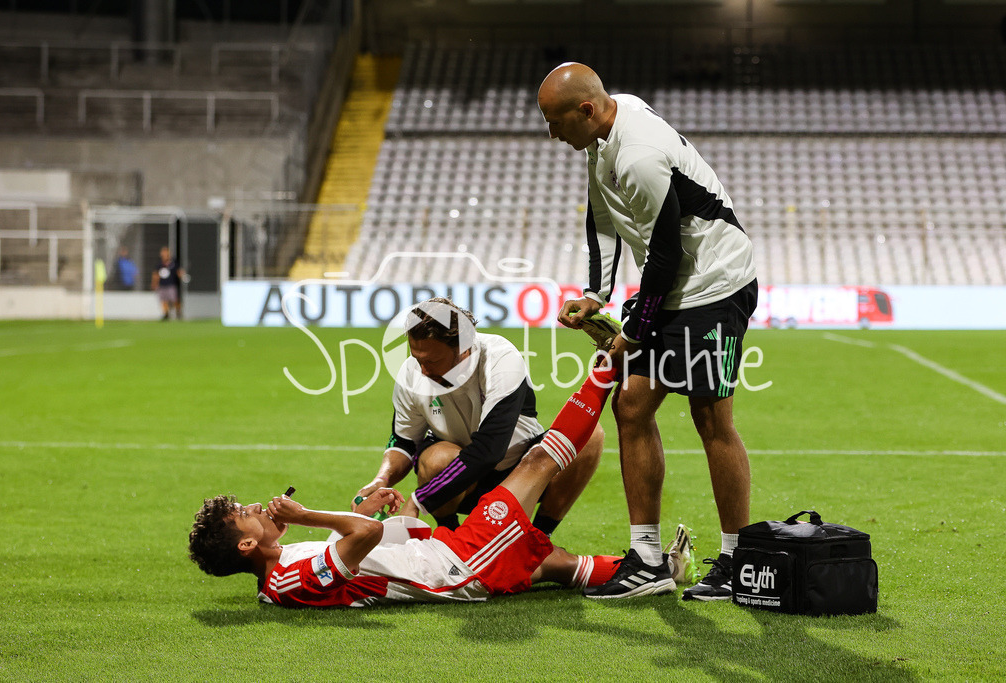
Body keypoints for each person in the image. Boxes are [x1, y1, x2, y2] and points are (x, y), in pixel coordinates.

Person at [189, 366, 695, 607]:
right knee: (541, 459)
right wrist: (309, 517)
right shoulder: (285, 582)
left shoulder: (280, 573)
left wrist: (397, 507)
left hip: (443, 553)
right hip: (457, 566)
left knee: (553, 565)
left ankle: (665, 569)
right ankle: (607, 367)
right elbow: (359, 540)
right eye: (243, 511)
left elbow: (373, 552)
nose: (255, 506)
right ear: (247, 542)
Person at [538, 63, 758, 601]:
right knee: (632, 406)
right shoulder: (606, 130)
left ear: (586, 110)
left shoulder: (637, 154)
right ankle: (647, 560)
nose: (551, 134)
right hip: (676, 284)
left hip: (713, 285)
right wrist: (597, 294)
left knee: (711, 417)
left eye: (555, 121)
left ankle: (737, 561)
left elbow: (663, 255)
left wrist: (633, 329)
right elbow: (604, 220)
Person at [355, 297, 603, 538]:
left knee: (590, 434)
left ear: (463, 350)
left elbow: (489, 449)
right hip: (457, 484)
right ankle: (449, 537)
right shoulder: (412, 372)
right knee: (437, 458)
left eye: (432, 360)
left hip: (522, 474)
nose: (423, 370)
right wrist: (382, 478)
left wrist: (420, 500)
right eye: (417, 358)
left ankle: (538, 538)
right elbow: (403, 442)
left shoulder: (500, 358)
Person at [151, 246, 185, 320]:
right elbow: (156, 274)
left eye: (166, 253)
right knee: (164, 300)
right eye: (163, 253)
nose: (164, 255)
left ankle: (178, 312)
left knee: (174, 300)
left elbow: (179, 272)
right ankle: (166, 314)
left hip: (171, 285)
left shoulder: (174, 263)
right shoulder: (159, 264)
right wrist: (154, 284)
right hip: (162, 285)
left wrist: (182, 276)